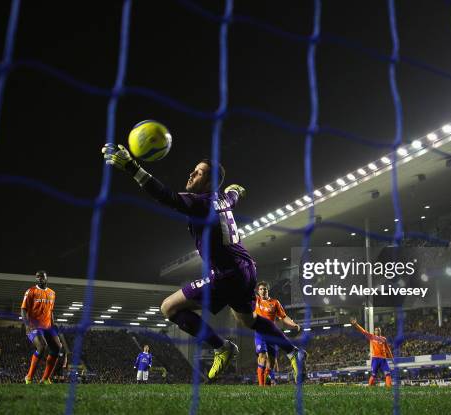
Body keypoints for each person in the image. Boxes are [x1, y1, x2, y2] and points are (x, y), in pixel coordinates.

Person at [102, 144, 307, 383]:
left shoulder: (200, 203)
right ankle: (294, 351)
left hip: (226, 273)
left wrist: (132, 167)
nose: (191, 174)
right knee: (249, 320)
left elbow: (165, 196)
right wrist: (236, 189)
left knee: (168, 307)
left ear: (209, 182)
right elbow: (234, 192)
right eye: (194, 170)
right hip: (247, 268)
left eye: (198, 173)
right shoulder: (223, 200)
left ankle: (222, 347)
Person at [254, 281, 300, 386]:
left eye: (264, 289)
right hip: (260, 333)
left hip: (272, 334)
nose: (263, 291)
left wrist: (293, 324)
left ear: (268, 290)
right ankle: (261, 386)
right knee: (262, 356)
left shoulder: (275, 302)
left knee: (272, 363)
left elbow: (283, 317)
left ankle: (268, 380)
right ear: (258, 291)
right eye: (261, 289)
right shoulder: (256, 301)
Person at [21, 270, 62, 384]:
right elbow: (23, 310)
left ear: (46, 278)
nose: (39, 278)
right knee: (42, 346)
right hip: (34, 327)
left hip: (48, 327)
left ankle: (45, 379)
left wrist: (53, 325)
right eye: (37, 277)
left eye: (41, 276)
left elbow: (51, 311)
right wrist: (27, 325)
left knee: (57, 348)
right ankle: (29, 377)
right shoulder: (31, 291)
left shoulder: (52, 293)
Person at [350, 318, 393, 386]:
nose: (377, 331)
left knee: (388, 373)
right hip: (375, 358)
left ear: (380, 331)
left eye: (378, 330)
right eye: (376, 330)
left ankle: (389, 387)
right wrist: (356, 324)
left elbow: (387, 349)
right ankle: (370, 387)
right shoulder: (372, 337)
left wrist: (391, 357)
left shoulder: (384, 339)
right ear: (374, 331)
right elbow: (363, 331)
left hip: (383, 359)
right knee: (373, 374)